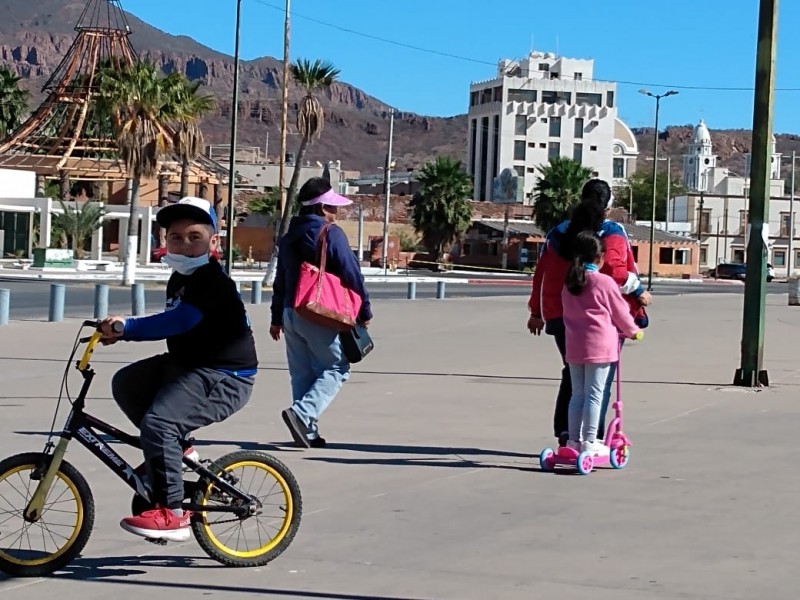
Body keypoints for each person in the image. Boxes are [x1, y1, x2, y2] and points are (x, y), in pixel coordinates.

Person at [99, 197, 258, 542]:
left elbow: (182, 320)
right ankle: (178, 449)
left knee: (158, 424)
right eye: (175, 237)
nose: (184, 244)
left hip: (224, 377)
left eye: (194, 236)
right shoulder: (180, 279)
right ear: (164, 241)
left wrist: (127, 328)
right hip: (189, 366)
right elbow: (176, 327)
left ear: (213, 242)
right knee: (127, 384)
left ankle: (172, 514)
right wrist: (117, 334)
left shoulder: (212, 280)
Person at [527, 179, 650, 445]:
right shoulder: (610, 232)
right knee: (599, 383)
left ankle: (567, 434)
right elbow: (615, 272)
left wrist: (536, 311)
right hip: (600, 321)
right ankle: (592, 438)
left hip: (560, 314)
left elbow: (541, 273)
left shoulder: (558, 233)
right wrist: (638, 291)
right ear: (608, 207)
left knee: (573, 377)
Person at [270, 177, 372, 448]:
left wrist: (276, 318)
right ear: (320, 208)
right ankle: (302, 415)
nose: (336, 213)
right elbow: (352, 273)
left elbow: (280, 279)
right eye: (332, 207)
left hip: (292, 312)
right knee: (337, 367)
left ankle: (308, 431)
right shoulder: (330, 233)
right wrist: (365, 310)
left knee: (302, 373)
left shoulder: (290, 235)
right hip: (319, 312)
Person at [561, 231, 641, 455]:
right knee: (594, 395)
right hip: (600, 347)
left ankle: (573, 441)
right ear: (600, 257)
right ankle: (590, 441)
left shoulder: (569, 283)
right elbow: (620, 313)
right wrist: (633, 331)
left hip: (575, 346)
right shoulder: (603, 282)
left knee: (577, 396)